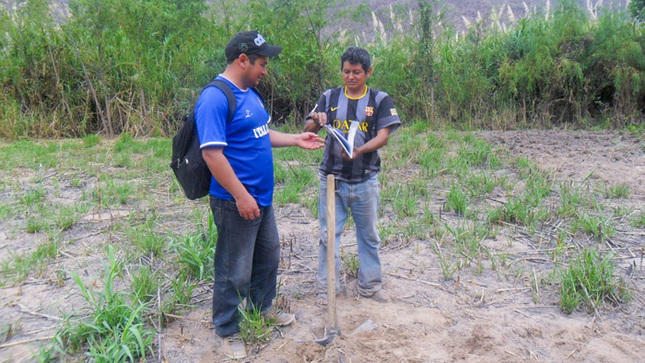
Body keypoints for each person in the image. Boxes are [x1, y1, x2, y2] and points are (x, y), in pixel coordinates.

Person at [195, 30, 325, 360]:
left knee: (269, 255)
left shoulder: (250, 94)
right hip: (235, 201)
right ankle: (226, 329)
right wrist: (240, 196)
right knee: (233, 267)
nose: (264, 71)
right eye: (262, 64)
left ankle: (261, 308)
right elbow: (212, 154)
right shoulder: (215, 98)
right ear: (243, 60)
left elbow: (262, 134)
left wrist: (296, 139)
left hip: (260, 199)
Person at [304, 46, 401, 306]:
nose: (351, 77)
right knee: (329, 236)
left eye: (357, 72)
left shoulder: (380, 100)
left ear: (368, 72)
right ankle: (327, 289)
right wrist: (317, 119)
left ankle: (370, 285)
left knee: (369, 235)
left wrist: (360, 150)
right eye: (346, 71)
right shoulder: (329, 97)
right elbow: (308, 126)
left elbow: (383, 136)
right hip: (332, 179)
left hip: (365, 179)